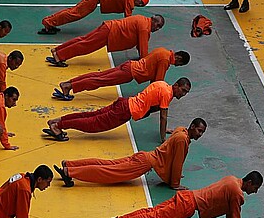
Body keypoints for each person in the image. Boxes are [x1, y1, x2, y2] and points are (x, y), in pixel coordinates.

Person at [104, 172, 263, 218]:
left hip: (187, 196)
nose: (254, 192)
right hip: (188, 205)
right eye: (255, 188)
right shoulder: (237, 193)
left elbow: (230, 212)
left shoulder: (231, 180)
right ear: (249, 183)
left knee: (152, 212)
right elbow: (235, 216)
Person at [54, 119, 205, 189]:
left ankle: (70, 165)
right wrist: (175, 184)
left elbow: (171, 157)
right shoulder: (182, 139)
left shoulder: (180, 130)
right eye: (199, 130)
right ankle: (70, 172)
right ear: (192, 127)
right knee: (107, 171)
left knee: (107, 164)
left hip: (143, 157)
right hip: (145, 163)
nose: (200, 134)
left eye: (202, 132)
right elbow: (177, 162)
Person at [43, 78, 190, 142]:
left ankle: (59, 121)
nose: (182, 95)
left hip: (125, 102)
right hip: (125, 111)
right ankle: (58, 126)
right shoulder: (167, 94)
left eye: (185, 93)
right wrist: (163, 137)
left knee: (91, 115)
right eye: (182, 90)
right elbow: (163, 117)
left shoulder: (162, 85)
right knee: (92, 124)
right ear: (176, 85)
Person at [55, 48, 189, 99]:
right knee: (100, 80)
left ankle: (69, 83)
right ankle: (69, 87)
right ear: (178, 59)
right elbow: (157, 83)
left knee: (98, 76)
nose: (176, 65)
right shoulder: (165, 61)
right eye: (179, 64)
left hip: (129, 65)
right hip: (129, 73)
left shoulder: (162, 51)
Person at [47, 14, 164, 67]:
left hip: (108, 27)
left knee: (84, 40)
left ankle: (57, 51)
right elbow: (143, 48)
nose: (157, 29)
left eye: (160, 28)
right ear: (153, 20)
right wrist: (146, 62)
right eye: (157, 25)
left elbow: (140, 44)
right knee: (85, 46)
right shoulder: (145, 28)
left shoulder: (143, 21)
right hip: (110, 33)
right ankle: (59, 56)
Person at [39, 0, 150, 35]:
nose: (138, 5)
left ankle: (51, 22)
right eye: (140, 3)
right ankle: (49, 23)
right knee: (75, 14)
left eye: (141, 5)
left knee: (73, 12)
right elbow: (128, 17)